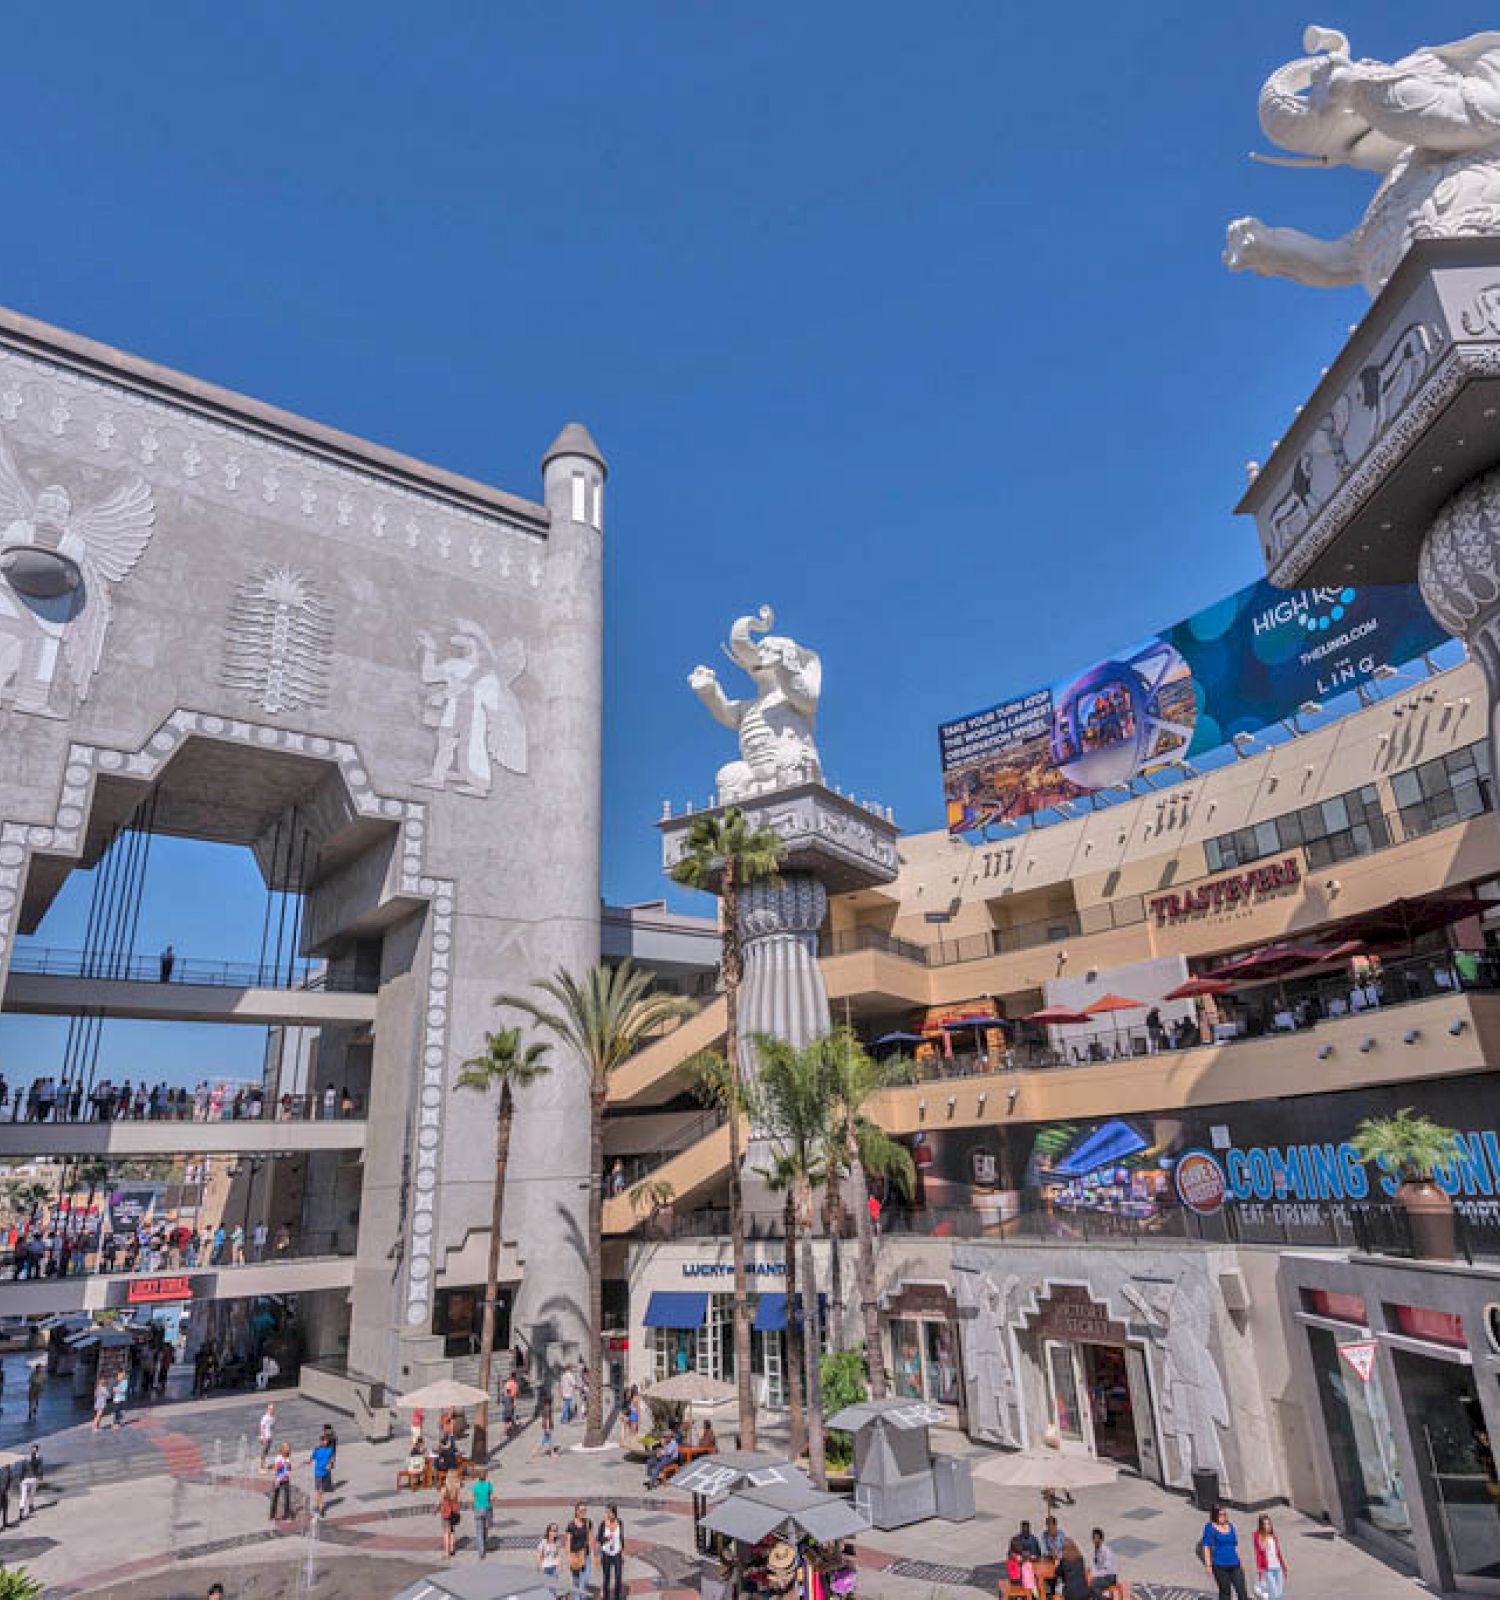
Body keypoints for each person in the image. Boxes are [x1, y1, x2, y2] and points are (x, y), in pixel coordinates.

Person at [1201, 1504, 1250, 1600]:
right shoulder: (1210, 1527)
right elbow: (1206, 1546)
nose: (1224, 1517)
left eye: (1225, 1514)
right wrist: (1208, 1565)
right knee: (1225, 1593)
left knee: (1242, 1591)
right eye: (1221, 1515)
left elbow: (1235, 1545)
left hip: (1235, 1564)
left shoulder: (1230, 1526)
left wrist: (1240, 1562)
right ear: (1215, 1515)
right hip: (1220, 1566)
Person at [1253, 1513, 1288, 1600]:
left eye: (1269, 1524)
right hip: (1267, 1568)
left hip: (1278, 1567)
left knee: (1279, 1594)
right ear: (1261, 1526)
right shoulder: (1258, 1536)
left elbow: (1278, 1553)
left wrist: (1284, 1567)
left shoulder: (1273, 1536)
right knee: (1274, 1593)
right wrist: (1260, 1569)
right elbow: (1259, 1552)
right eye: (1265, 1524)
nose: (1267, 1526)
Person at [565, 1501, 593, 1599]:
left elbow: (590, 1538)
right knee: (576, 1580)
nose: (583, 1512)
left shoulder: (588, 1522)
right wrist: (569, 1556)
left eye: (584, 1510)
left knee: (585, 1579)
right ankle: (577, 1598)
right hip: (575, 1555)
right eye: (581, 1510)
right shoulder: (571, 1525)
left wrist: (594, 1554)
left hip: (586, 1555)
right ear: (576, 1511)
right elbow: (568, 1542)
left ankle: (583, 1597)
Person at [597, 1502, 625, 1600]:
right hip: (606, 1553)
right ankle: (606, 1597)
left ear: (614, 1512)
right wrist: (606, 1538)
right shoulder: (603, 1524)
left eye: (609, 1512)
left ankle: (617, 1597)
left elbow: (621, 1537)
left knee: (618, 1577)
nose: (608, 1515)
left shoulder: (620, 1522)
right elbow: (599, 1538)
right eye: (607, 1512)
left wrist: (622, 1551)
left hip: (617, 1552)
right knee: (607, 1578)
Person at [1088, 1528, 1119, 1598]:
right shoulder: (1095, 1551)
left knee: (1093, 1585)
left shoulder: (1106, 1551)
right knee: (1088, 1586)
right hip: (1100, 1576)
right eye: (1094, 1538)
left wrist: (1094, 1575)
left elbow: (1107, 1569)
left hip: (1110, 1576)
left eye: (1097, 1538)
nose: (1095, 1540)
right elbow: (1093, 1565)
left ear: (1102, 1539)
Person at [310, 1432, 335, 1516]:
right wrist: (307, 1461)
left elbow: (332, 1458)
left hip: (326, 1473)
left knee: (320, 1491)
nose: (324, 1442)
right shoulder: (317, 1450)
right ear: (320, 1441)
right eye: (323, 1440)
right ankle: (321, 1508)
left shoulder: (330, 1450)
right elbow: (312, 1458)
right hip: (318, 1473)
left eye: (326, 1440)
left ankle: (317, 1505)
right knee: (320, 1491)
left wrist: (330, 1464)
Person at [438, 1470, 462, 1559]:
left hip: (446, 1512)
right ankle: (452, 1549)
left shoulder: (445, 1489)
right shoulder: (457, 1488)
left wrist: (436, 1507)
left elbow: (440, 1500)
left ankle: (446, 1552)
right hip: (454, 1512)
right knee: (452, 1531)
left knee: (446, 1533)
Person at [471, 1469, 494, 1560]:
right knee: (485, 1528)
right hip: (487, 1508)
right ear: (486, 1476)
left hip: (478, 1508)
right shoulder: (489, 1484)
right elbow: (491, 1497)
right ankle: (484, 1544)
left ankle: (481, 1551)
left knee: (479, 1531)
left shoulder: (475, 1486)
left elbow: (473, 1497)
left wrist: (473, 1506)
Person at [269, 1443, 293, 1522]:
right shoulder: (278, 1458)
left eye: (288, 1448)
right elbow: (276, 1469)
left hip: (286, 1480)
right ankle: (272, 1515)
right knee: (275, 1497)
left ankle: (286, 1516)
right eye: (286, 1448)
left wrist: (289, 1466)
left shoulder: (288, 1458)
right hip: (278, 1480)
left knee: (287, 1497)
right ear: (282, 1449)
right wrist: (276, 1479)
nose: (288, 1449)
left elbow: (289, 1469)